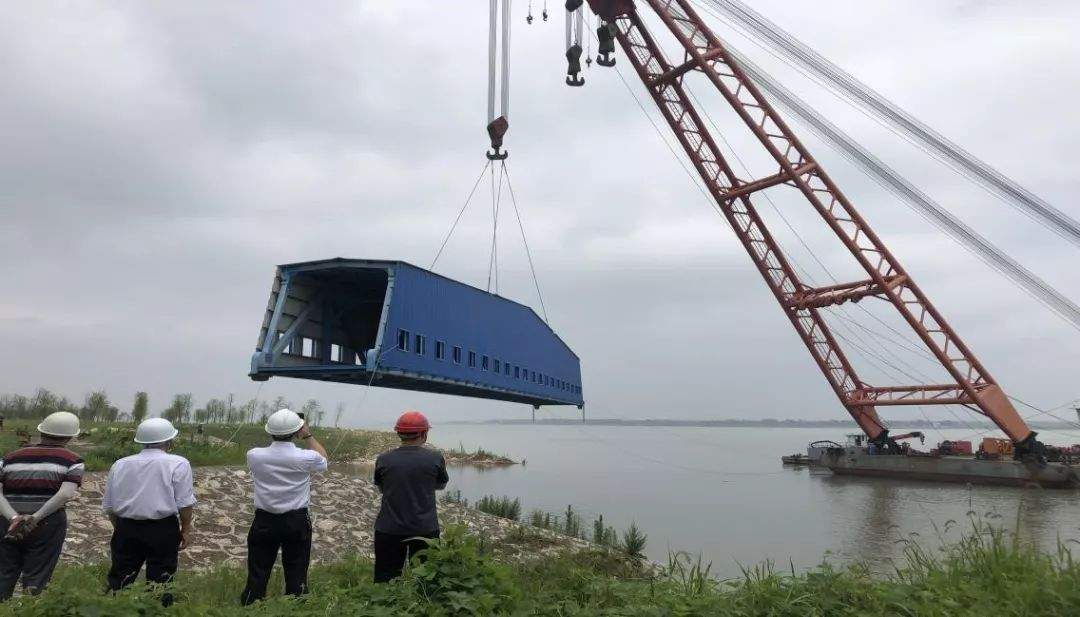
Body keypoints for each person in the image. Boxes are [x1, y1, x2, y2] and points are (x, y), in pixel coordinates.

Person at [102, 417, 195, 607]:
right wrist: (185, 529)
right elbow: (185, 503)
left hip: (126, 526)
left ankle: (112, 611)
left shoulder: (120, 464)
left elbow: (110, 506)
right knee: (161, 581)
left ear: (141, 441)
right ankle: (158, 611)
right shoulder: (178, 463)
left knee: (120, 579)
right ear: (170, 441)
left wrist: (121, 527)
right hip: (162, 528)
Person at [239, 409, 328, 605]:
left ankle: (250, 608)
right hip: (296, 521)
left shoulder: (254, 455)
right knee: (297, 572)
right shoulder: (305, 457)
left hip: (264, 520)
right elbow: (323, 460)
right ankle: (295, 607)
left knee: (257, 573)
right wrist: (308, 434)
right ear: (297, 431)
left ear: (269, 431)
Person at [0, 412, 84, 599]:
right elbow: (65, 494)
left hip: (6, 522)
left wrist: (13, 518)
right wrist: (35, 517)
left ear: (41, 431)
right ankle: (30, 609)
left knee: (4, 572)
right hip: (47, 524)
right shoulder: (73, 460)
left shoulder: (10, 457)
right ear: (70, 436)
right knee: (37, 576)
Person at [372, 410, 448, 583]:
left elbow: (381, 488)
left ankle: (385, 607)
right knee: (426, 578)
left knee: (385, 578)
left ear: (399, 433)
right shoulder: (435, 458)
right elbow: (441, 485)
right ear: (424, 433)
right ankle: (421, 607)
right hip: (425, 529)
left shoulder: (383, 459)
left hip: (388, 528)